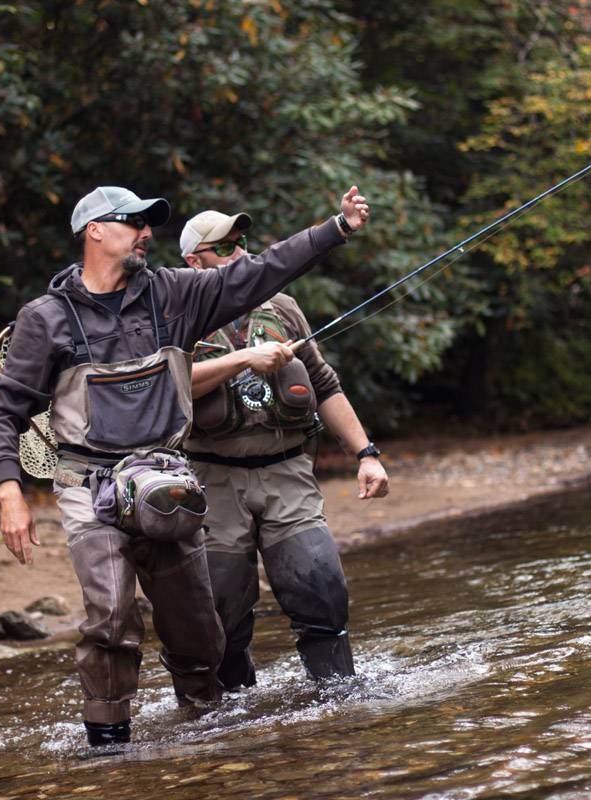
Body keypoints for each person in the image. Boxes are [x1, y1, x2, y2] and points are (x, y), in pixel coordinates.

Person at [0, 184, 370, 747]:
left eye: (149, 224)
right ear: (94, 231)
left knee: (198, 635)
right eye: (133, 222)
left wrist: (337, 228)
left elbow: (261, 272)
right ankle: (108, 745)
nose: (146, 233)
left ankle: (210, 739)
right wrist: (10, 494)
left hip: (169, 479)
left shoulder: (174, 295)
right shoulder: (45, 320)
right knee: (112, 615)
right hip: (87, 485)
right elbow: (3, 412)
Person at [179, 209, 389, 690]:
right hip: (212, 480)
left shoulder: (283, 307)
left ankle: (337, 706)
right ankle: (234, 719)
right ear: (194, 261)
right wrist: (241, 361)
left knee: (321, 590)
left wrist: (366, 454)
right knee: (220, 617)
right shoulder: (175, 317)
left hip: (287, 472)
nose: (243, 253)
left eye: (242, 242)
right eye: (227, 247)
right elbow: (166, 388)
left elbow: (324, 384)